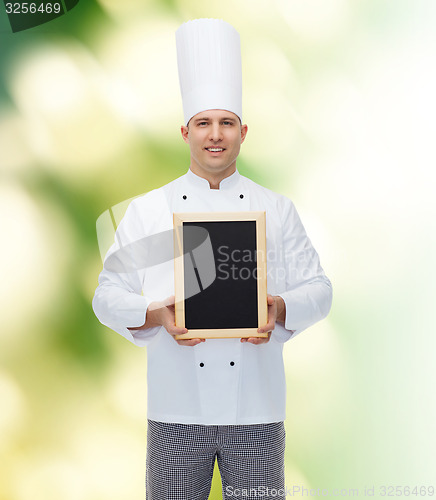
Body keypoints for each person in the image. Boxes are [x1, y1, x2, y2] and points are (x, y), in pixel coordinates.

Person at [92, 18, 332, 500]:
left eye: (226, 123)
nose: (215, 135)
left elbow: (320, 289)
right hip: (176, 412)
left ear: (244, 130)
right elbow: (106, 295)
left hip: (258, 414)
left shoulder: (277, 210)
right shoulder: (152, 211)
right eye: (204, 123)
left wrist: (277, 307)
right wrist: (156, 313)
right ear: (185, 131)